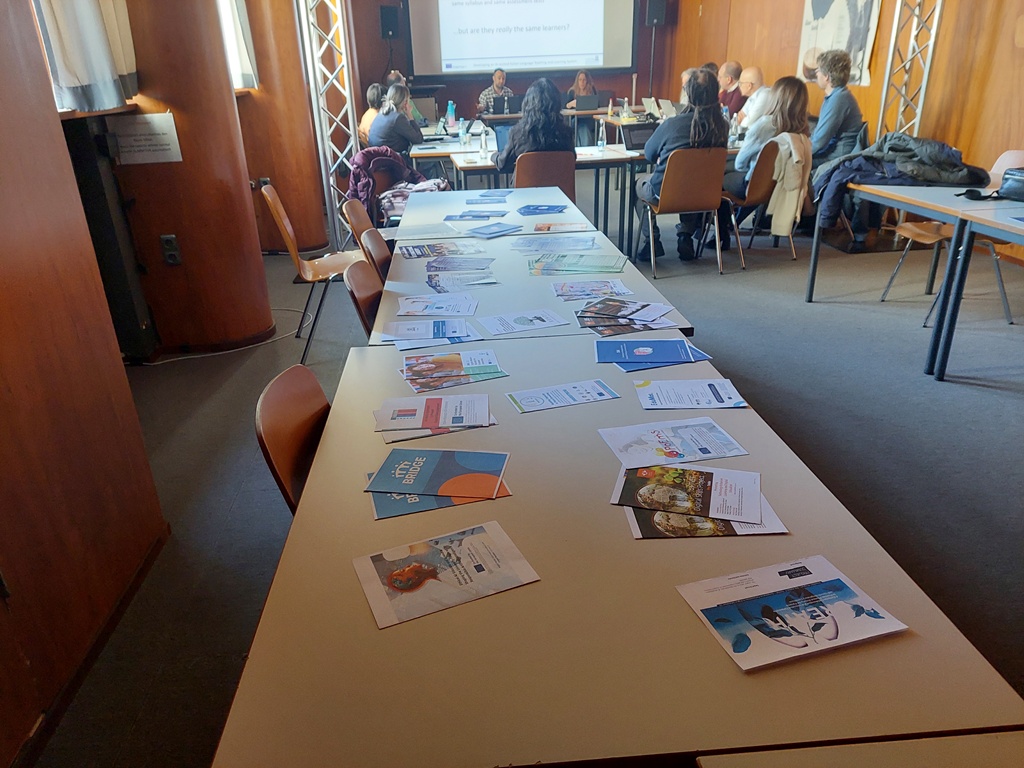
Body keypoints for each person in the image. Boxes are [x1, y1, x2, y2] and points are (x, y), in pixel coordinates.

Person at [635, 68, 729, 261]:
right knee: (693, 183)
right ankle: (685, 235)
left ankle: (652, 241)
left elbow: (649, 153)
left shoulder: (672, 124)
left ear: (689, 94)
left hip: (665, 192)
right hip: (704, 194)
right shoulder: (722, 126)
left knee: (637, 186)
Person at [717, 76, 810, 249]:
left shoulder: (764, 125)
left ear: (775, 98)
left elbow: (739, 164)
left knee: (717, 176)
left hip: (753, 186)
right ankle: (730, 225)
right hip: (777, 187)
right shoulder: (801, 132)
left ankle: (719, 233)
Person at [493, 77, 574, 176]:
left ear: (528, 103)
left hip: (525, 186)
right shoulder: (566, 133)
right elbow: (572, 159)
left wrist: (494, 155)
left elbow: (502, 164)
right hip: (558, 185)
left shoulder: (518, 134)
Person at [810, 49, 863, 167]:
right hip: (831, 152)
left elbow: (819, 141)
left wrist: (797, 154)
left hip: (837, 158)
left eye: (818, 70)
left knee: (791, 164)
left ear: (826, 77)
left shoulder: (839, 99)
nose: (816, 73)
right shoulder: (838, 96)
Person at [368, 83, 423, 161]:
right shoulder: (398, 118)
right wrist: (410, 115)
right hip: (394, 161)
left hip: (379, 160)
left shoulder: (381, 114)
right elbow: (418, 139)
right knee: (432, 162)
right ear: (405, 102)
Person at [566, 69, 597, 145]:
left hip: (589, 119)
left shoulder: (592, 90)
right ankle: (587, 147)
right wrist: (571, 104)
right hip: (576, 119)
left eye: (584, 80)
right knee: (582, 126)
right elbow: (566, 106)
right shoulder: (572, 92)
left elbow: (597, 105)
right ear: (577, 81)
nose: (582, 82)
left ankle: (579, 148)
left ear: (587, 81)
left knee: (583, 127)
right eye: (580, 80)